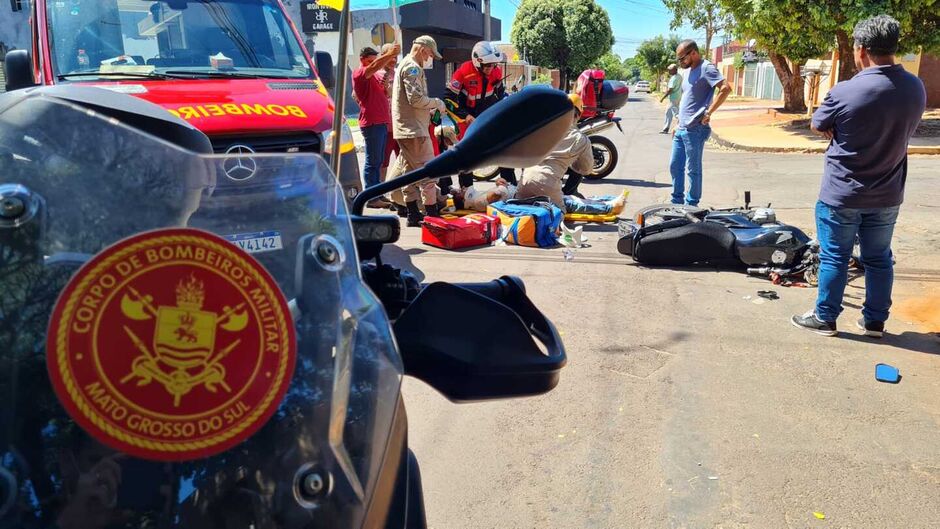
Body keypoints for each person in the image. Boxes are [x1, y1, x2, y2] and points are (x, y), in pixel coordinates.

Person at [791, 14, 926, 337]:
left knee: (835, 256)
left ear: (861, 49)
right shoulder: (915, 88)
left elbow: (818, 124)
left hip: (843, 194)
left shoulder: (846, 90)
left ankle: (826, 317)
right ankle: (875, 322)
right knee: (879, 258)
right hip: (888, 193)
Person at [442, 41, 517, 190]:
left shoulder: (496, 71)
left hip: (487, 115)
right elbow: (448, 99)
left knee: (503, 149)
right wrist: (465, 116)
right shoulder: (463, 72)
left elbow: (500, 93)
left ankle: (510, 186)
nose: (491, 68)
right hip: (467, 117)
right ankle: (466, 189)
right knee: (467, 155)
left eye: (493, 65)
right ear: (478, 62)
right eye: (488, 65)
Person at [390, 35, 447, 226]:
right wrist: (436, 103)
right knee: (427, 174)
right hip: (415, 130)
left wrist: (427, 110)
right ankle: (432, 215)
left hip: (406, 128)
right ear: (423, 49)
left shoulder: (406, 65)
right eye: (430, 53)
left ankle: (413, 214)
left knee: (409, 173)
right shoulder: (412, 67)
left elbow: (412, 101)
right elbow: (415, 99)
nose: (429, 57)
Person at [669, 40, 732, 206]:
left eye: (682, 58)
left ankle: (692, 206)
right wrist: (678, 123)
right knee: (675, 166)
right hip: (682, 128)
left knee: (693, 170)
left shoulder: (707, 68)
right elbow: (687, 99)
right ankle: (677, 203)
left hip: (695, 129)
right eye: (679, 60)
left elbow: (725, 88)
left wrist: (709, 112)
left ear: (693, 53)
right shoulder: (688, 71)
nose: (680, 62)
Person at [516, 94, 595, 210]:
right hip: (549, 188)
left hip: (524, 184)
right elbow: (586, 169)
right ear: (577, 115)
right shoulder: (580, 139)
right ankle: (567, 196)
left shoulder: (539, 127)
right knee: (559, 215)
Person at [352, 44, 399, 208]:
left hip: (380, 122)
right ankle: (371, 198)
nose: (373, 63)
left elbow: (383, 91)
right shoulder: (360, 73)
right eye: (370, 61)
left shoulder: (373, 76)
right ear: (362, 60)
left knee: (378, 162)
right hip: (372, 122)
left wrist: (385, 89)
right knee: (373, 162)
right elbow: (373, 67)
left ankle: (377, 193)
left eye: (374, 60)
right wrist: (389, 55)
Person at [452, 177, 627, 216]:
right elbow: (496, 197)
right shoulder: (475, 202)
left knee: (568, 198)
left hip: (519, 194)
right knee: (568, 201)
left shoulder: (474, 200)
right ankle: (610, 206)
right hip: (522, 198)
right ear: (463, 198)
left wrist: (501, 185)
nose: (462, 188)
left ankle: (607, 199)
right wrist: (502, 187)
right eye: (460, 191)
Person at [659, 63, 681, 134]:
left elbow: (670, 90)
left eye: (670, 70)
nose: (669, 71)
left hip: (673, 98)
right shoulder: (679, 76)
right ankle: (666, 128)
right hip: (678, 97)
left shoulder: (674, 78)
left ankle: (684, 124)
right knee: (668, 113)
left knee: (676, 113)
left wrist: (662, 98)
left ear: (674, 70)